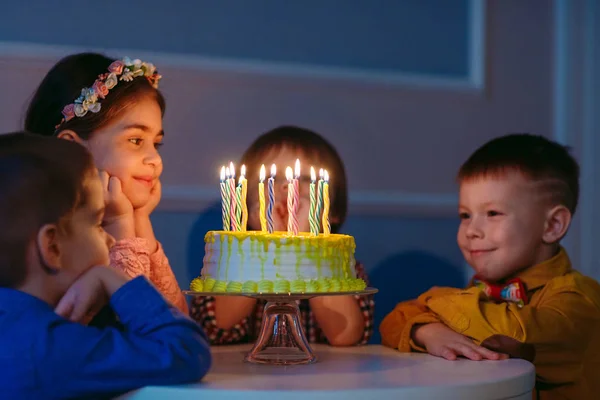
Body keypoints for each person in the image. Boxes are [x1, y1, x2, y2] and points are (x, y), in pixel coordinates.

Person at [380, 133, 600, 399]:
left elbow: (512, 332)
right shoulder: (480, 291)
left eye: (493, 213)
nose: (471, 230)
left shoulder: (580, 299)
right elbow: (393, 321)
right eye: (465, 215)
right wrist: (427, 331)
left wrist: (434, 300)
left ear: (552, 226)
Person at [0, 132, 211, 399]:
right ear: (52, 247)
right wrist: (114, 280)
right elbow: (186, 351)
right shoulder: (50, 350)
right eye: (98, 224)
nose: (110, 239)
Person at [24, 53, 187, 313]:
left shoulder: (128, 215)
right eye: (135, 141)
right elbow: (133, 328)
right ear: (71, 148)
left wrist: (140, 219)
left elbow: (175, 319)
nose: (155, 160)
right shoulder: (58, 238)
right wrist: (119, 223)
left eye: (156, 143)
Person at [192, 125, 375, 346]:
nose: (288, 189)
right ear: (246, 206)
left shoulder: (342, 267)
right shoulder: (229, 264)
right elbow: (219, 326)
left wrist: (307, 244)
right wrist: (269, 244)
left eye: (306, 179)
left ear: (333, 210)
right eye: (270, 179)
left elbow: (346, 336)